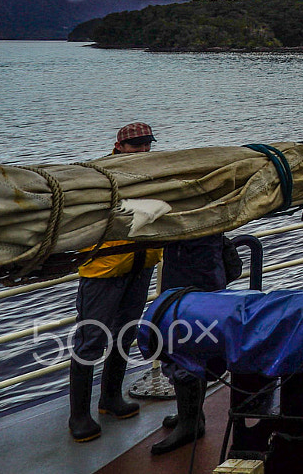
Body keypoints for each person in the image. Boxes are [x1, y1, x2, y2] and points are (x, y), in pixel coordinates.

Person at [68, 122, 163, 443]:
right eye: (136, 145)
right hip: (104, 270)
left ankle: (110, 399)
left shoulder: (155, 175)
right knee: (91, 341)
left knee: (126, 333)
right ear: (119, 146)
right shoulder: (98, 177)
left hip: (141, 265)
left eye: (147, 144)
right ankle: (78, 415)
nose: (143, 150)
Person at [149, 225, 230, 453]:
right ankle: (192, 413)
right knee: (187, 336)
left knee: (184, 339)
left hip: (193, 261)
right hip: (194, 258)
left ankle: (190, 423)